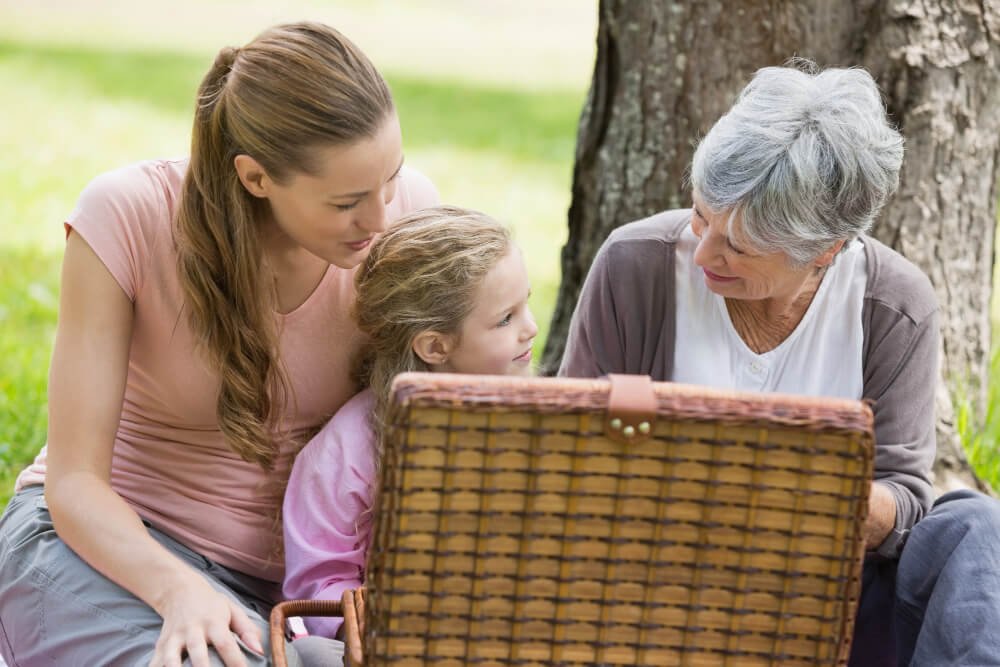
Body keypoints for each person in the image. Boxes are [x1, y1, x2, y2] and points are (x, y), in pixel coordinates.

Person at [0, 21, 438, 667]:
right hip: (116, 553)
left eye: (390, 180)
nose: (379, 218)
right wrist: (178, 589)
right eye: (347, 201)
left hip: (299, 591)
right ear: (256, 177)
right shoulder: (126, 216)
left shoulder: (406, 221)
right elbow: (75, 483)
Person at [559, 61, 1000, 666]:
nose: (704, 252)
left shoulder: (895, 307)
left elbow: (906, 501)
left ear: (825, 251)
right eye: (700, 214)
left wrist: (814, 495)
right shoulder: (635, 268)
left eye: (737, 246)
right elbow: (566, 453)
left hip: (826, 607)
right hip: (654, 600)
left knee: (976, 523)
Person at [282, 205, 537, 641]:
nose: (530, 329)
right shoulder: (348, 452)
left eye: (526, 304)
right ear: (435, 345)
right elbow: (320, 586)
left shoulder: (539, 423)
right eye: (505, 319)